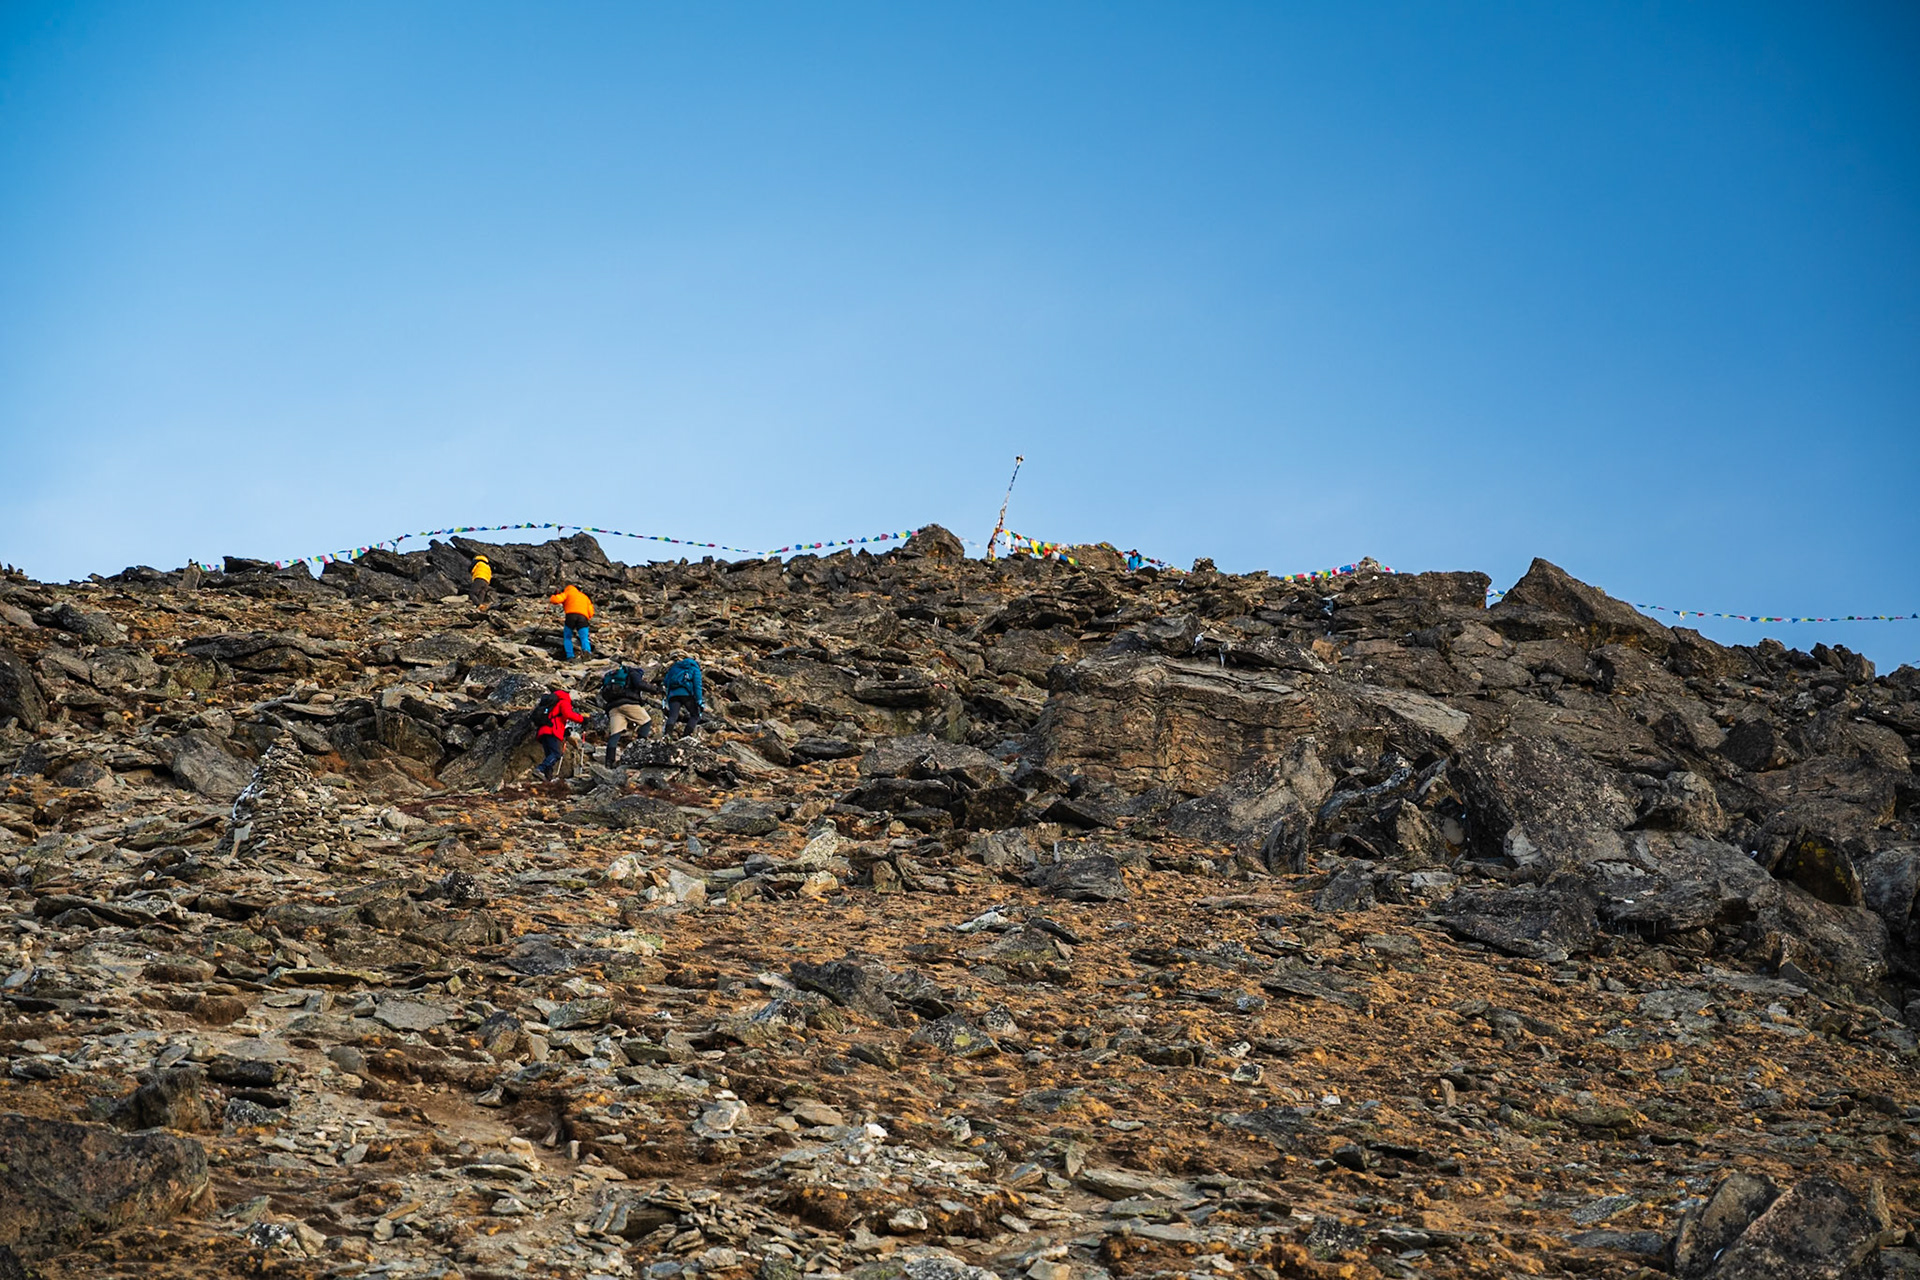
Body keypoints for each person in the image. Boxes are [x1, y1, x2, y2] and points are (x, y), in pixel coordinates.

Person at [600, 662, 663, 766]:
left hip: (613, 707)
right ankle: (638, 750)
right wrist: (656, 690)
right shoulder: (634, 672)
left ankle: (609, 762)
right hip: (628, 703)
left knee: (615, 734)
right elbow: (639, 684)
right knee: (646, 722)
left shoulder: (612, 675)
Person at [533, 686, 582, 780]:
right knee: (556, 754)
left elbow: (555, 719)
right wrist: (582, 719)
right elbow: (568, 714)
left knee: (549, 756)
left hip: (542, 732)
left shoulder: (550, 704)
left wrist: (563, 732)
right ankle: (540, 769)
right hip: (552, 731)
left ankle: (547, 779)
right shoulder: (563, 702)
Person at [661, 656, 704, 738]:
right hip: (687, 695)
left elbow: (666, 682)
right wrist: (699, 700)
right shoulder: (694, 669)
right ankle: (686, 736)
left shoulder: (675, 667)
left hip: (673, 695)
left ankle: (667, 736)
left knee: (673, 716)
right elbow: (697, 686)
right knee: (695, 715)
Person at [548, 584, 594, 659]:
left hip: (571, 616)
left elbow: (555, 600)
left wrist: (553, 596)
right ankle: (587, 652)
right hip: (583, 617)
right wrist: (586, 617)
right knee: (584, 637)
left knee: (567, 637)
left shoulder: (567, 593)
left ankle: (570, 656)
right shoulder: (584, 596)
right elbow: (591, 612)